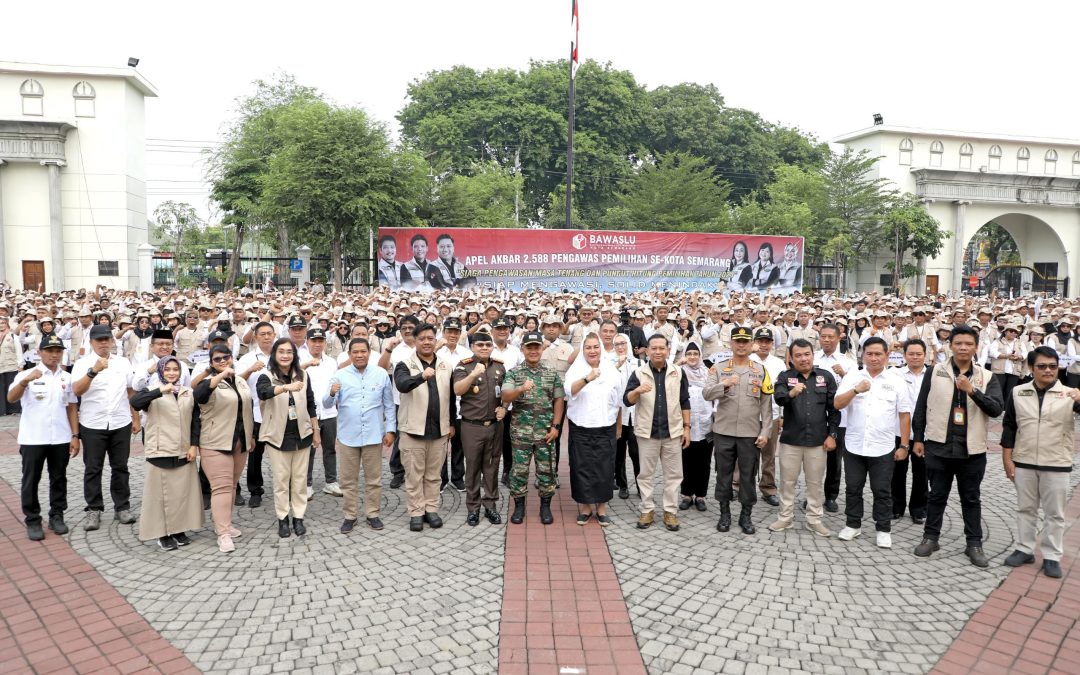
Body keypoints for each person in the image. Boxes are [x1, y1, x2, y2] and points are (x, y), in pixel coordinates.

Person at [912, 325, 1004, 567]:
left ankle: (974, 544)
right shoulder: (934, 372)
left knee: (971, 498)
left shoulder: (987, 377)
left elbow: (996, 409)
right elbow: (921, 407)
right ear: (950, 345)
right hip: (939, 446)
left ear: (976, 347)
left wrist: (972, 391)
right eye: (959, 343)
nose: (963, 347)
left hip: (972, 450)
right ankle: (931, 538)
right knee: (936, 495)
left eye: (969, 344)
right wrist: (919, 438)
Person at [1000, 346, 1077, 579]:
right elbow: (1010, 426)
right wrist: (1007, 458)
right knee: (1026, 509)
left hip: (1056, 462)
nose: (1048, 370)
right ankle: (1025, 549)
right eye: (1042, 366)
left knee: (1055, 513)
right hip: (1024, 461)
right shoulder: (1017, 392)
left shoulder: (1070, 394)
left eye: (1053, 366)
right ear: (1031, 368)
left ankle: (1052, 555)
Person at [834, 337, 912, 549]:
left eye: (878, 354)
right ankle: (853, 524)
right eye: (869, 353)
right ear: (863, 355)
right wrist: (856, 390)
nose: (874, 358)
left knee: (882, 490)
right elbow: (837, 403)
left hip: (883, 445)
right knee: (853, 487)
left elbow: (904, 414)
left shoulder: (896, 380)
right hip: (854, 444)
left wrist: (904, 445)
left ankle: (883, 528)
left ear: (887, 356)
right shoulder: (853, 377)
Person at [703, 326, 773, 535]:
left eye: (745, 341)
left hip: (750, 433)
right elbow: (706, 394)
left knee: (748, 475)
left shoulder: (760, 370)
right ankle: (724, 514)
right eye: (737, 341)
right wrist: (724, 385)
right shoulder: (718, 368)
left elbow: (766, 405)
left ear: (752, 344)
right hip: (723, 431)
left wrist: (766, 432)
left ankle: (746, 515)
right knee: (723, 474)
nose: (741, 345)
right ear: (731, 344)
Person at [8, 334, 78, 540]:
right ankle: (32, 519)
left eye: (58, 351)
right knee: (31, 479)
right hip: (33, 437)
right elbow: (11, 397)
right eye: (49, 351)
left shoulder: (66, 377)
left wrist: (75, 435)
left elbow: (72, 407)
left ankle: (57, 515)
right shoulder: (28, 374)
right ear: (40, 353)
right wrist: (25, 382)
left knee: (59, 478)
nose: (54, 355)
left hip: (60, 436)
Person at [130, 356, 204, 551]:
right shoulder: (152, 392)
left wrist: (194, 445)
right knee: (159, 495)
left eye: (175, 369)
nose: (172, 373)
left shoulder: (188, 392)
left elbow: (195, 420)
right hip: (160, 450)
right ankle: (162, 533)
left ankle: (179, 529)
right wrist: (158, 391)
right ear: (160, 371)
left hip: (183, 449)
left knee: (181, 493)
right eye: (167, 369)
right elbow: (135, 402)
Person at [72, 324, 139, 531]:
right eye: (98, 340)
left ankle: (122, 506)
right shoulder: (82, 364)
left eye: (106, 339)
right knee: (93, 468)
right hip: (93, 423)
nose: (103, 343)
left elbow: (130, 391)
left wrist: (135, 418)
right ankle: (93, 508)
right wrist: (93, 371)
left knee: (120, 467)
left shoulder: (123, 363)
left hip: (120, 422)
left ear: (112, 341)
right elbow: (77, 391)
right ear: (91, 342)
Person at [768, 339, 838, 536]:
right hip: (791, 440)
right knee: (787, 482)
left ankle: (814, 519)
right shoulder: (785, 376)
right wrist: (792, 392)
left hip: (817, 440)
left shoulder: (825, 377)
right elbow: (779, 397)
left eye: (806, 354)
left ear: (812, 355)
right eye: (798, 355)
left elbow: (834, 409)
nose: (803, 358)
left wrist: (832, 434)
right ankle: (785, 518)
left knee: (815, 483)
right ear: (791, 358)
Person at [328, 338, 396, 533]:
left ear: (369, 353)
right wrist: (332, 393)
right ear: (349, 354)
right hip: (348, 436)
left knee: (373, 479)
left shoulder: (381, 374)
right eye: (355, 352)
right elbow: (326, 404)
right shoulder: (340, 375)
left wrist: (390, 430)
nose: (359, 355)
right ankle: (350, 515)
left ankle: (372, 513)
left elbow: (389, 406)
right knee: (348, 480)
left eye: (363, 351)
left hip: (374, 435)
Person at [624, 334, 690, 532]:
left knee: (674, 474)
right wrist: (637, 391)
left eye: (662, 348)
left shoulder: (678, 372)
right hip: (647, 432)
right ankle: (647, 509)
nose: (658, 351)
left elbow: (684, 401)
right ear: (648, 350)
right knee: (645, 474)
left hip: (673, 431)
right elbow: (627, 400)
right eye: (654, 348)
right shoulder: (639, 373)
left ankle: (670, 511)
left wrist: (687, 427)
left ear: (668, 350)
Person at [193, 343, 254, 553]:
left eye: (225, 357)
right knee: (221, 487)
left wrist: (251, 436)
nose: (222, 361)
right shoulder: (209, 382)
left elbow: (247, 408)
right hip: (215, 442)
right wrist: (218, 375)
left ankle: (225, 523)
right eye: (217, 359)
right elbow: (199, 395)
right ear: (211, 363)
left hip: (239, 441)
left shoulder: (239, 380)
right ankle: (223, 533)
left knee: (233, 485)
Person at [394, 322, 454, 532]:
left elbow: (451, 396)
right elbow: (402, 385)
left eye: (430, 338)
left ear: (435, 340)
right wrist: (421, 376)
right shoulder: (404, 364)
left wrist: (452, 423)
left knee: (433, 474)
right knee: (414, 475)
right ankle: (416, 511)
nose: (426, 342)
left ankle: (431, 508)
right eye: (422, 339)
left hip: (439, 430)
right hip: (413, 430)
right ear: (414, 341)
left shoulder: (445, 365)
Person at [257, 338, 319, 538]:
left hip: (302, 435)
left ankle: (298, 517)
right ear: (275, 354)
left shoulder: (303, 375)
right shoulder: (266, 376)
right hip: (278, 437)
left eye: (289, 352)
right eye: (281, 352)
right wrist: (284, 388)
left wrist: (316, 429)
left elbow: (310, 403)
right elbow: (263, 393)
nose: (285, 356)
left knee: (300, 481)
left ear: (294, 355)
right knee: (281, 481)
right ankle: (283, 518)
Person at [502, 331, 565, 525]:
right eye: (529, 347)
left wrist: (556, 426)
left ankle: (545, 507)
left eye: (536, 347)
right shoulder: (514, 372)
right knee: (519, 471)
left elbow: (558, 399)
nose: (533, 351)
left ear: (541, 349)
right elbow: (505, 397)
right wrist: (520, 389)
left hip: (545, 432)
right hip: (521, 433)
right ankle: (519, 506)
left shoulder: (551, 372)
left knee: (547, 471)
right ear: (523, 349)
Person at [564, 334, 622, 526]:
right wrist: (587, 379)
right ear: (583, 350)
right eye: (588, 347)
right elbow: (570, 391)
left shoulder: (611, 370)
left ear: (601, 349)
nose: (592, 351)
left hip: (605, 426)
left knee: (604, 468)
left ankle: (602, 507)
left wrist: (619, 425)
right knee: (582, 467)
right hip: (581, 427)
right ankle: (586, 507)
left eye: (595, 347)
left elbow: (619, 400)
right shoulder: (576, 369)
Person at [452, 330, 507, 526]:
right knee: (473, 468)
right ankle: (473, 508)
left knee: (492, 467)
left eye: (487, 345)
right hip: (471, 426)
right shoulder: (463, 366)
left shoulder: (499, 367)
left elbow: (505, 393)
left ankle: (490, 506)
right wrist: (473, 374)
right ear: (472, 347)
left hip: (494, 426)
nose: (484, 348)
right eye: (480, 345)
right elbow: (457, 390)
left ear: (492, 347)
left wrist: (504, 408)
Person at [235, 321, 277, 508]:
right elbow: (235, 382)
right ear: (256, 336)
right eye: (263, 334)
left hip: (278, 412)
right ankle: (255, 489)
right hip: (255, 413)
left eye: (269, 333)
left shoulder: (282, 354)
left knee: (282, 453)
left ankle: (284, 487)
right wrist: (249, 370)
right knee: (255, 454)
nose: (267, 337)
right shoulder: (247, 358)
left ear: (274, 335)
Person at [813, 324, 854, 512]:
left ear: (838, 339)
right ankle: (813, 495)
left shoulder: (848, 362)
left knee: (834, 460)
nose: (827, 340)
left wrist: (844, 375)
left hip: (840, 418)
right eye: (824, 337)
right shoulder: (812, 358)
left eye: (831, 337)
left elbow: (856, 388)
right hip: (814, 415)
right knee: (813, 459)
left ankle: (831, 496)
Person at [744, 327, 784, 505]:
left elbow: (782, 391)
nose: (763, 345)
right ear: (754, 343)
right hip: (749, 415)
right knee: (745, 454)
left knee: (769, 455)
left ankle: (768, 488)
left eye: (767, 341)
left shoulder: (779, 363)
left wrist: (782, 415)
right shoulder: (746, 360)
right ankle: (741, 485)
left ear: (772, 344)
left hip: (772, 414)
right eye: (760, 341)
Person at [892, 339, 929, 523]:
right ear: (905, 355)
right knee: (897, 470)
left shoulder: (933, 375)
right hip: (898, 430)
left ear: (925, 355)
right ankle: (896, 506)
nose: (915, 357)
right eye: (911, 354)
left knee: (921, 472)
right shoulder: (894, 374)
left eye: (919, 354)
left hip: (925, 432)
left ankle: (919, 508)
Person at [303, 327, 340, 499]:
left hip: (329, 411)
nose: (317, 344)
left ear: (325, 342)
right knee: (308, 450)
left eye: (320, 341)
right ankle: (307, 483)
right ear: (307, 342)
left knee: (330, 448)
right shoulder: (300, 360)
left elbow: (335, 385)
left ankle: (331, 481)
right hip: (308, 413)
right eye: (313, 341)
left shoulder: (332, 362)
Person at [679, 343, 713, 512]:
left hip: (706, 422)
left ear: (700, 355)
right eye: (689, 353)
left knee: (704, 461)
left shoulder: (708, 372)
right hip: (686, 424)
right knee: (686, 460)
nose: (692, 357)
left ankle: (700, 495)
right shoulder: (679, 372)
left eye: (695, 353)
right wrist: (679, 362)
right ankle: (686, 494)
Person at [612, 333, 641, 499]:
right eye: (617, 344)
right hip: (618, 415)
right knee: (619, 453)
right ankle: (622, 485)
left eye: (623, 343)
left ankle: (640, 485)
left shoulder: (639, 362)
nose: (620, 347)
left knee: (637, 453)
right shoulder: (611, 364)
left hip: (636, 414)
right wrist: (618, 364)